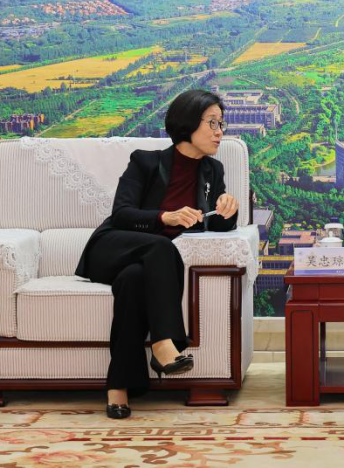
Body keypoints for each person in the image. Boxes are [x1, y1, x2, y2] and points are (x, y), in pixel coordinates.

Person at [74, 89, 240, 419]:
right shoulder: (145, 161)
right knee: (162, 246)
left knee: (133, 282)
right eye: (212, 123)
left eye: (221, 123)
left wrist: (228, 208)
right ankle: (165, 343)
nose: (219, 132)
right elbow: (122, 213)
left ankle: (118, 387)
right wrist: (165, 217)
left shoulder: (213, 171)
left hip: (148, 266)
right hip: (115, 246)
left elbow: (216, 225)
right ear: (187, 123)